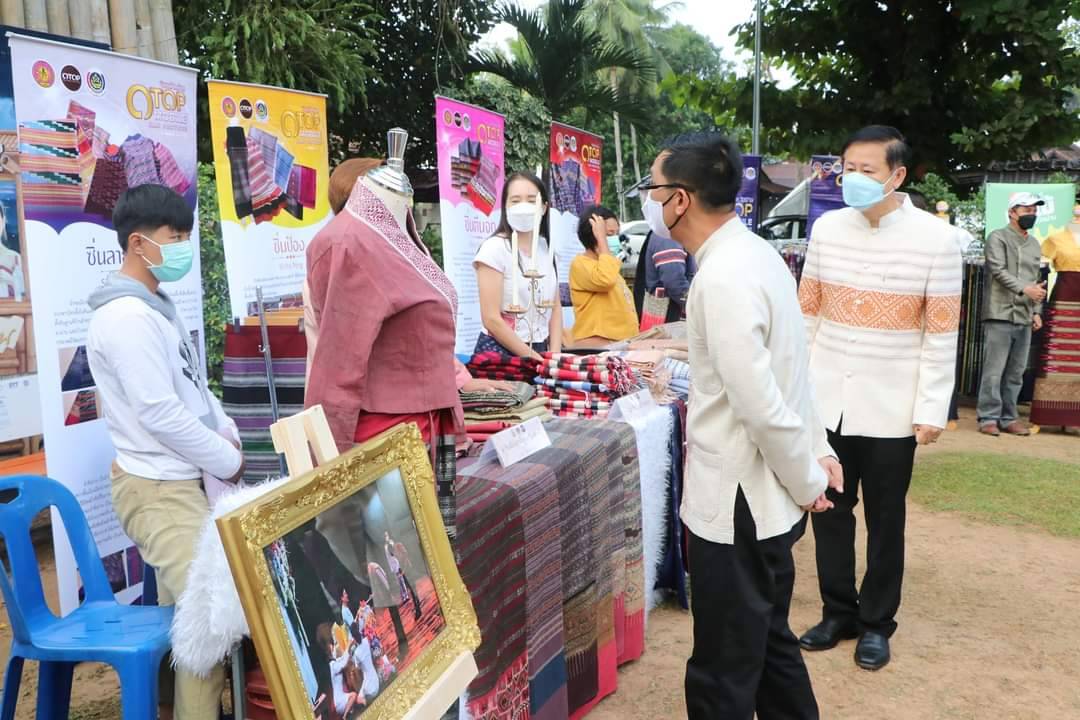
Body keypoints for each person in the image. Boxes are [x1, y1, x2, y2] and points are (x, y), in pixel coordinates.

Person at [646, 132, 841, 719]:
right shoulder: (754, 257)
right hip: (757, 497)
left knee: (724, 670)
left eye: (652, 190)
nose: (650, 204)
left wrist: (810, 473)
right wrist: (814, 452)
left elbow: (761, 400)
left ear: (680, 200)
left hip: (739, 502)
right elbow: (791, 375)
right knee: (767, 645)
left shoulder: (726, 275)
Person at [798, 126, 961, 671]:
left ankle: (876, 624)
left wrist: (931, 408)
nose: (854, 179)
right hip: (828, 402)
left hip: (893, 408)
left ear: (898, 175)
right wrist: (800, 393)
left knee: (886, 520)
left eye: (868, 170)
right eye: (848, 168)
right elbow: (808, 317)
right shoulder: (825, 229)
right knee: (830, 513)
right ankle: (837, 612)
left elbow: (941, 333)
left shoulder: (937, 240)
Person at [87, 184, 244, 719]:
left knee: (190, 620)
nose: (182, 248)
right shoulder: (126, 319)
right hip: (160, 491)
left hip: (180, 483)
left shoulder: (156, 307)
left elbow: (192, 388)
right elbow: (159, 412)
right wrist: (227, 459)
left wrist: (225, 428)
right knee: (207, 629)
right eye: (174, 237)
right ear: (137, 243)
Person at [304, 158, 509, 397]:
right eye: (385, 186)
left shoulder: (407, 249)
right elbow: (343, 359)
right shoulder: (343, 251)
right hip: (375, 408)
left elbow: (423, 337)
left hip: (416, 402)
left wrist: (461, 380)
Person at [976, 192, 1047, 436]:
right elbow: (997, 269)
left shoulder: (1035, 243)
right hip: (999, 312)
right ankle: (988, 417)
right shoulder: (997, 237)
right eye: (1027, 210)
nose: (1032, 214)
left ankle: (1009, 417)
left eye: (1034, 210)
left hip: (1025, 315)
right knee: (994, 371)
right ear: (1012, 212)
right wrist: (1024, 289)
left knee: (1016, 372)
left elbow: (1037, 282)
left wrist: (1037, 311)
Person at [474, 171, 563, 359]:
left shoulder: (546, 248)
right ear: (505, 207)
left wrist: (554, 355)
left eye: (532, 200)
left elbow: (554, 307)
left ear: (544, 207)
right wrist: (534, 359)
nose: (524, 207)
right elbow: (491, 318)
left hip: (542, 349)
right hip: (502, 351)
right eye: (515, 201)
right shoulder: (495, 249)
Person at [1031, 205, 1080, 430]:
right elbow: (1040, 269)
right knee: (1055, 356)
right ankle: (1045, 415)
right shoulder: (1056, 238)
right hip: (1063, 298)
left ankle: (1075, 419)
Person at [568, 205, 639, 345]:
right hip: (598, 346)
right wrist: (602, 240)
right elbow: (605, 280)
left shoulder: (609, 265)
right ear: (593, 234)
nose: (615, 239)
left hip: (621, 344)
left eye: (616, 234)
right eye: (609, 234)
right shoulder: (580, 264)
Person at [641, 184, 697, 329]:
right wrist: (697, 306)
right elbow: (674, 282)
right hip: (670, 319)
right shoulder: (667, 237)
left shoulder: (666, 234)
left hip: (664, 318)